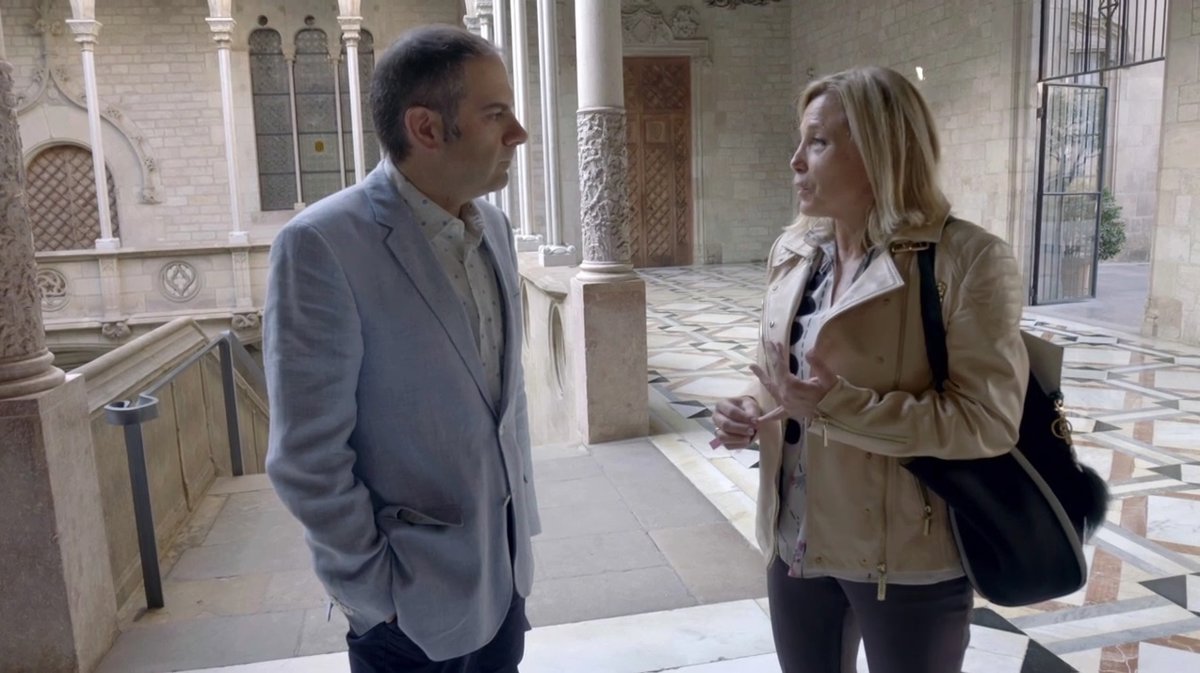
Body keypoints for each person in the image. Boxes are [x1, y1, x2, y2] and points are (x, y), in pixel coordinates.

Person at [712, 66, 1029, 673]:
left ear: (882, 151)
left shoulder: (965, 260)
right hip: (795, 538)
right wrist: (750, 406)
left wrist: (835, 408)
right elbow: (777, 372)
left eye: (818, 142)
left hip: (906, 558)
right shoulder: (795, 251)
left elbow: (986, 421)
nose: (795, 161)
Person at [263, 25, 539, 673]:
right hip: (406, 612)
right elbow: (307, 456)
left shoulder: (495, 227)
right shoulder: (322, 245)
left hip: (504, 580)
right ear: (426, 128)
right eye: (495, 114)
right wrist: (375, 597)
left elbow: (500, 404)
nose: (519, 133)